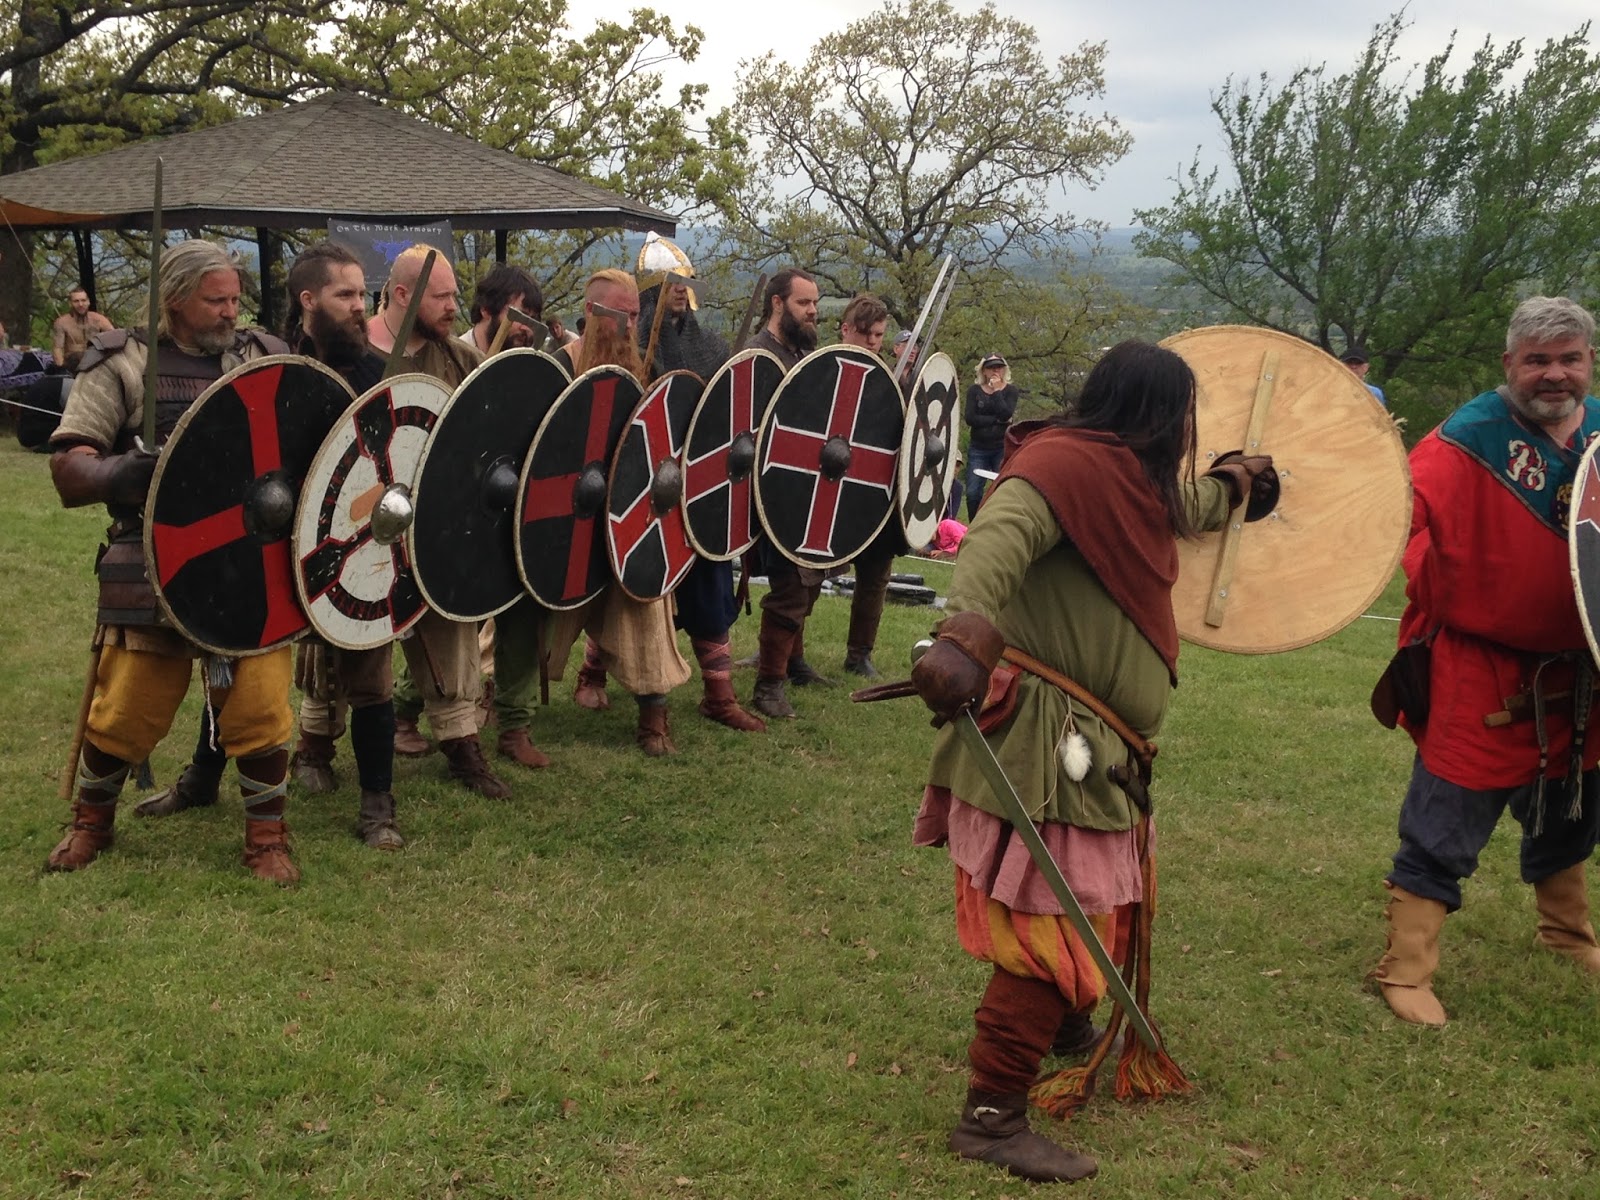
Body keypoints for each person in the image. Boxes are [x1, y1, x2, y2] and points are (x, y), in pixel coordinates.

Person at [908, 340, 1273, 1183]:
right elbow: (999, 537)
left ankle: (1062, 1027)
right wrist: (963, 631)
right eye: (1182, 417)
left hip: (1093, 744)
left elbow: (1180, 507)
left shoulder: (1126, 480)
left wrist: (1234, 484)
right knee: (1054, 925)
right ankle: (992, 1120)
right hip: (1050, 739)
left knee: (1072, 916)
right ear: (1158, 413)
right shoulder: (1063, 467)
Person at [1370, 296, 1600, 1028]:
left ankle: (1566, 932)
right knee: (1447, 812)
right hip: (1484, 667)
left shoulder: (1598, 434)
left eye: (1570, 358)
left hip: (1582, 669)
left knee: (1574, 802)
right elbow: (1395, 522)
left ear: (1589, 362)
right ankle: (1407, 969)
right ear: (1510, 365)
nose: (1555, 374)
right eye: (1538, 360)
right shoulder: (1464, 440)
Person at [133, 241, 409, 848]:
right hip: (262, 537)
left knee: (370, 671)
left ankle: (377, 805)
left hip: (346, 541)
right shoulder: (265, 358)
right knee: (232, 647)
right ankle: (204, 776)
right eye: (346, 295)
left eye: (364, 294)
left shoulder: (370, 369)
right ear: (309, 300)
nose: (360, 307)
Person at [43, 239, 301, 884]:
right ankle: (91, 823)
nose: (230, 313)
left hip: (253, 559)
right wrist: (119, 471)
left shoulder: (263, 356)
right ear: (176, 301)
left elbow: (309, 438)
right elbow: (68, 467)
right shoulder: (123, 362)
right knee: (127, 707)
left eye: (236, 300)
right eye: (216, 301)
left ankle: (266, 838)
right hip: (155, 556)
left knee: (263, 705)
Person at [593, 239, 766, 734]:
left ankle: (719, 693)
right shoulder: (632, 350)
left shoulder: (709, 346)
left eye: (683, 287)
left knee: (710, 574)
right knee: (629, 580)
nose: (677, 296)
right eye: (667, 287)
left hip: (696, 484)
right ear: (650, 292)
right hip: (641, 486)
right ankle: (593, 674)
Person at [369, 246, 511, 799]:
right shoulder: (355, 354)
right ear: (403, 294)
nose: (455, 306)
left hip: (434, 525)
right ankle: (315, 741)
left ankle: (462, 745)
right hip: (361, 524)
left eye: (456, 294)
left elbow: (493, 425)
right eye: (442, 295)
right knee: (347, 639)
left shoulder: (458, 361)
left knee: (451, 633)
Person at [544, 268, 693, 754]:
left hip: (625, 520)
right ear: (591, 313)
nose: (632, 326)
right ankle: (487, 705)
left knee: (647, 599)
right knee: (524, 613)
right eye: (621, 315)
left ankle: (654, 719)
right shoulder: (557, 367)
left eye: (635, 315)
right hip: (565, 519)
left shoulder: (641, 369)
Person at [742, 268, 826, 720]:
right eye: (803, 303)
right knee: (791, 586)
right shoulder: (759, 357)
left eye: (815, 303)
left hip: (806, 487)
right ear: (777, 303)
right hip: (771, 492)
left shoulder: (799, 355)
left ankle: (792, 661)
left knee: (811, 579)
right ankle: (768, 685)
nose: (813, 311)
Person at [837, 293, 899, 679]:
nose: (873, 342)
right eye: (865, 334)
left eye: (878, 335)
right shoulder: (824, 370)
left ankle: (859, 654)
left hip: (875, 487)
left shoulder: (893, 380)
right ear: (846, 330)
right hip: (830, 486)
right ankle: (784, 653)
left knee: (875, 573)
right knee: (807, 573)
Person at [963, 354, 1019, 520]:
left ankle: (996, 521)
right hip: (978, 447)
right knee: (973, 492)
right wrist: (997, 420)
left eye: (999, 367)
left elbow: (1006, 413)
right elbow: (971, 418)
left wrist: (996, 392)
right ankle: (973, 524)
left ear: (1004, 369)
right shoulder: (974, 391)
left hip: (1001, 447)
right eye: (991, 367)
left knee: (1000, 489)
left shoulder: (1010, 391)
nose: (995, 370)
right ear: (984, 371)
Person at [460, 263, 544, 355]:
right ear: (486, 310)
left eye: (533, 319)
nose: (526, 328)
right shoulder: (455, 361)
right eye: (520, 315)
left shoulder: (526, 364)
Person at [51, 286, 114, 370]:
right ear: (70, 303)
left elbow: (114, 339)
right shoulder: (61, 323)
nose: (80, 304)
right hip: (73, 366)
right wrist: (62, 371)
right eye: (76, 301)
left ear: (88, 302)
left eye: (83, 300)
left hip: (97, 365)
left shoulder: (99, 320)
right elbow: (57, 349)